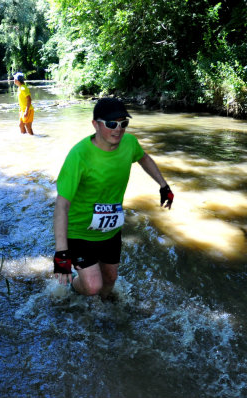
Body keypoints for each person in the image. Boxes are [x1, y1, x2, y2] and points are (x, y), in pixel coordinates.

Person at [53, 97, 174, 299]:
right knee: (92, 286)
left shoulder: (129, 143)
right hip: (80, 232)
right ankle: (74, 289)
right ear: (95, 125)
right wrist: (61, 253)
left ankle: (101, 311)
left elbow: (143, 157)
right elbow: (61, 205)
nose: (118, 129)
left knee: (110, 278)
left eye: (123, 123)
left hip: (111, 230)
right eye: (111, 124)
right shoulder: (79, 155)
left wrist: (163, 185)